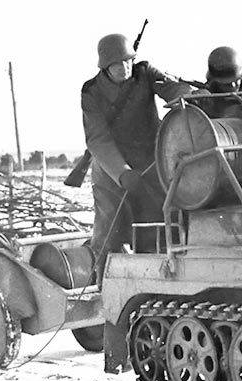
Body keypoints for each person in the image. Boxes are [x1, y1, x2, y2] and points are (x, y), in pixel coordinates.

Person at [81, 33, 191, 281]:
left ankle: (161, 279)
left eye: (128, 61)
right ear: (105, 67)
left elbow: (169, 87)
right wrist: (122, 173)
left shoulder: (145, 73)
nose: (125, 68)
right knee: (109, 229)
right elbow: (98, 139)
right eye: (117, 64)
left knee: (162, 218)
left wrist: (184, 94)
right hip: (112, 169)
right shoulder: (91, 92)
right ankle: (102, 284)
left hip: (151, 161)